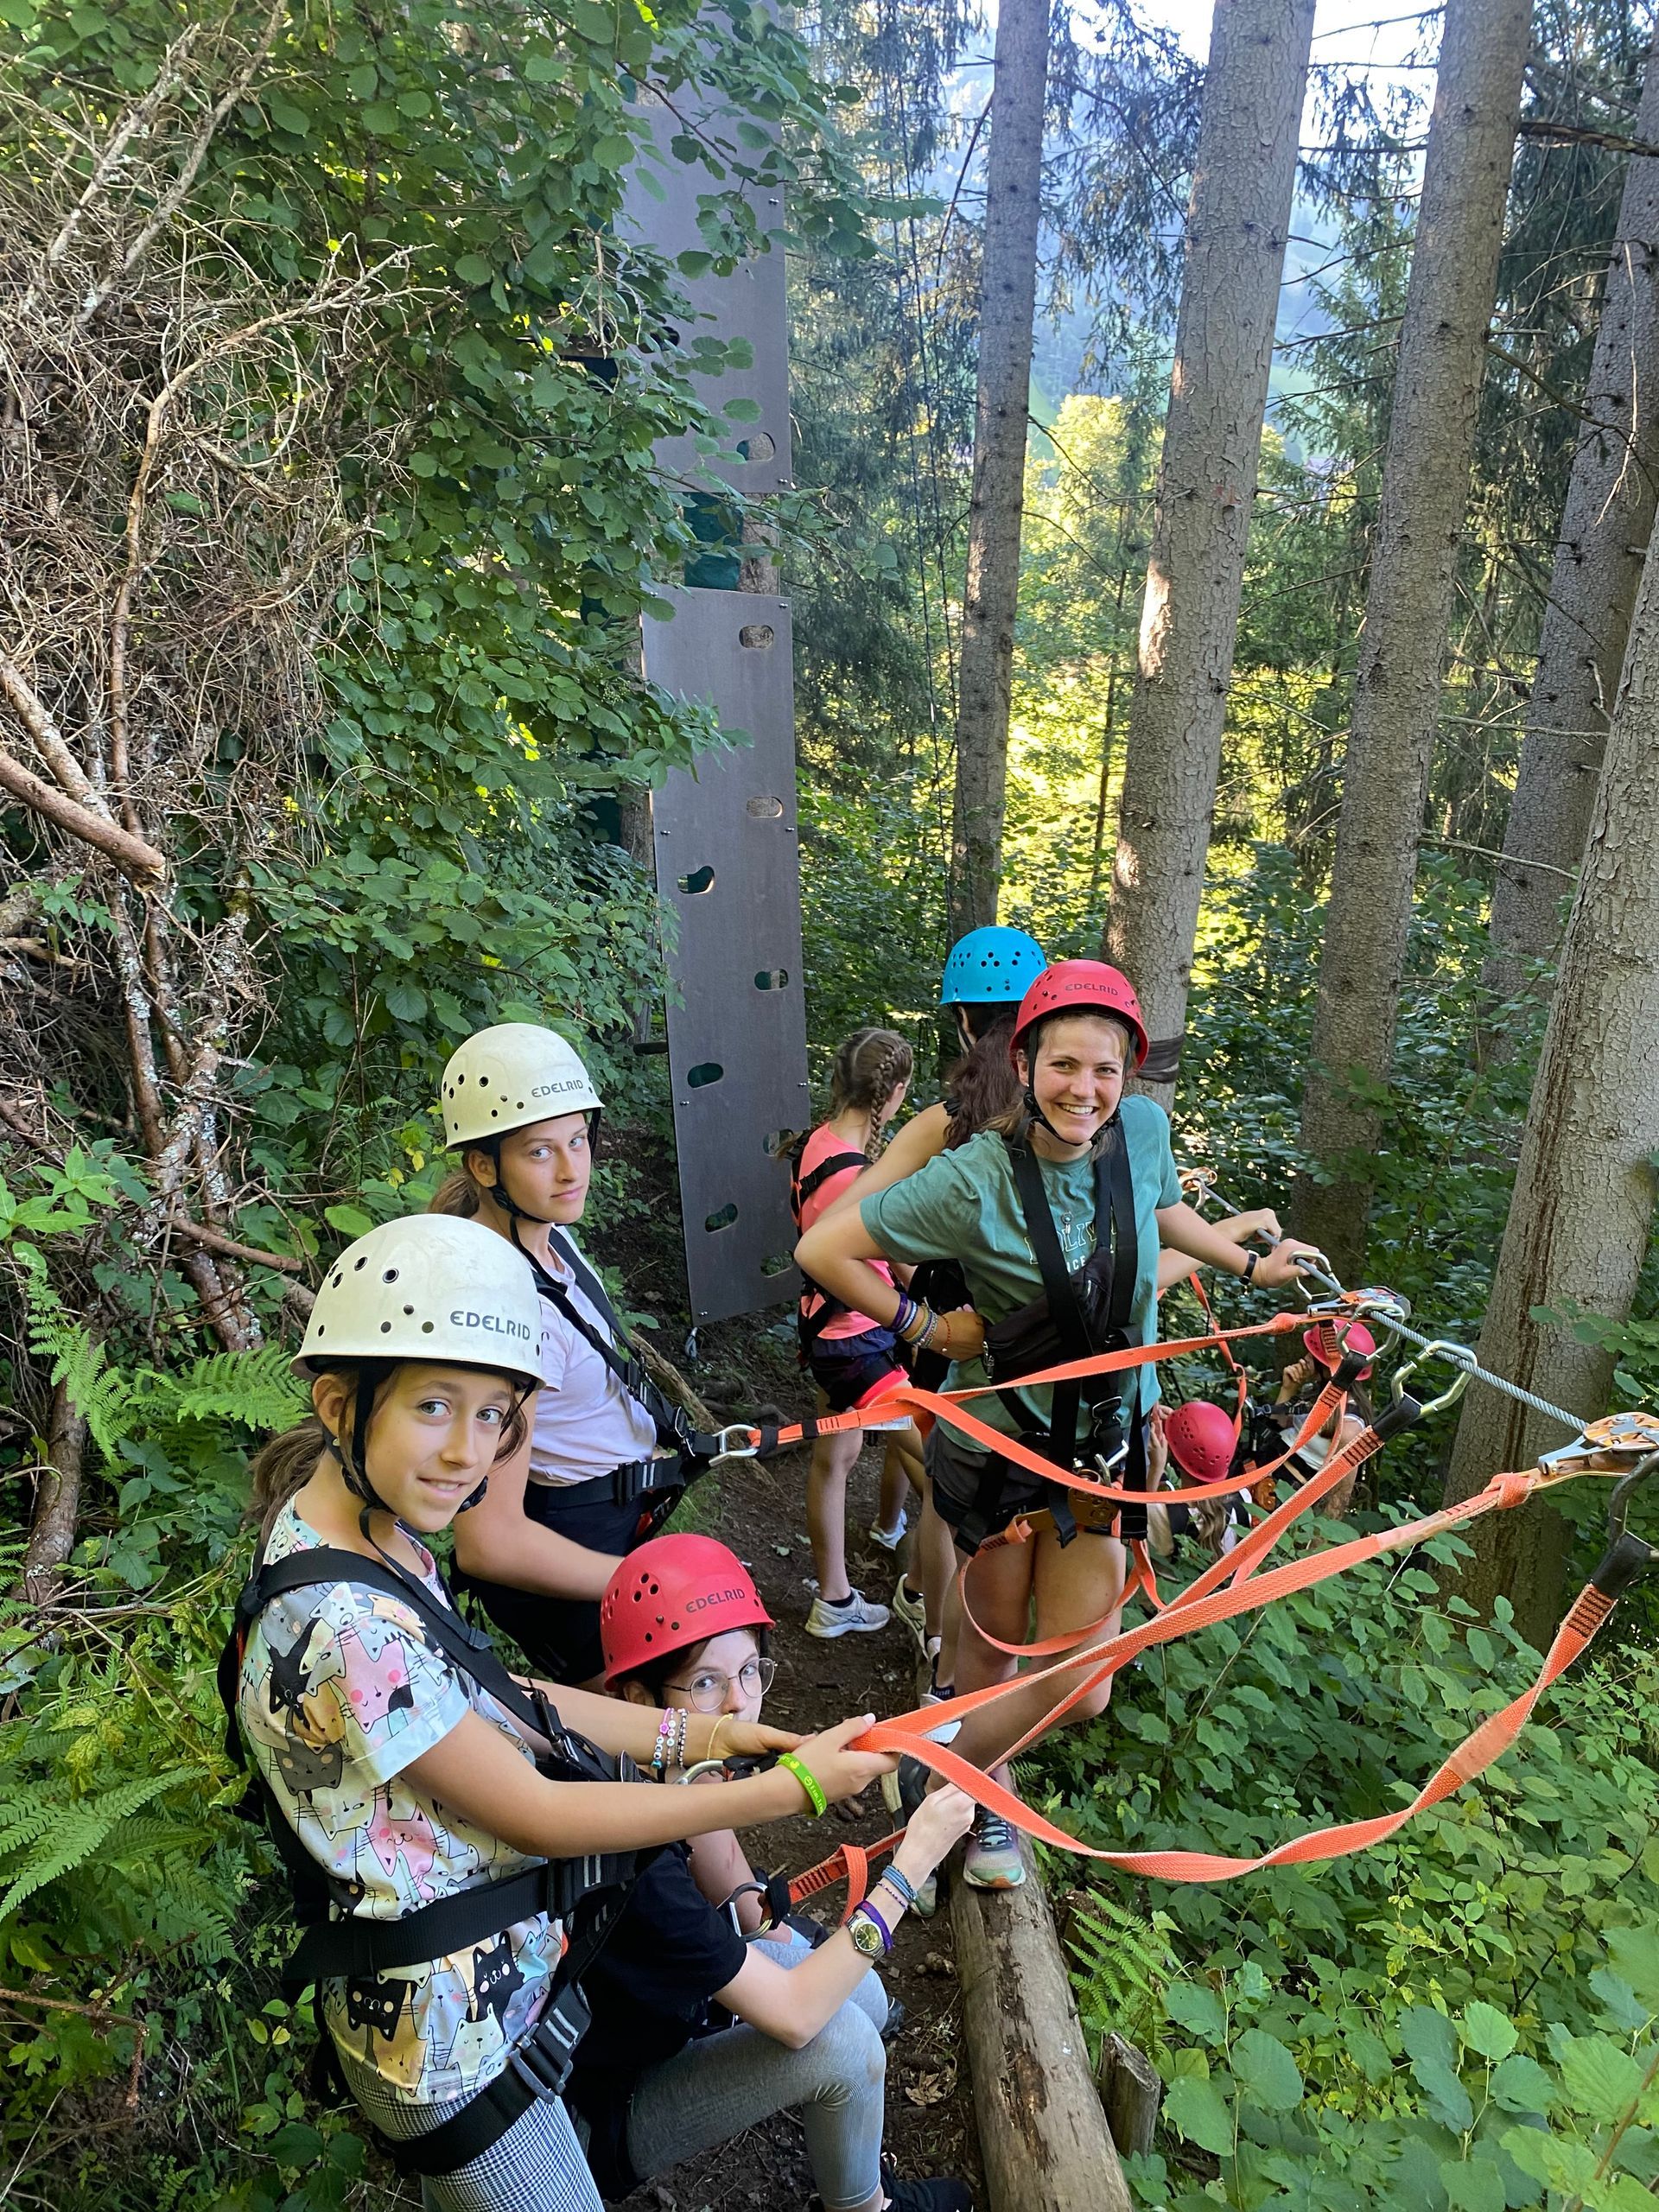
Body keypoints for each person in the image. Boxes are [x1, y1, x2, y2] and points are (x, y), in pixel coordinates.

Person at [230, 1214, 898, 2211]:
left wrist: (706, 1735)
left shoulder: (373, 1534)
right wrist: (779, 1787)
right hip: (449, 2051)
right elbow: (536, 1813)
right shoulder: (340, 1621)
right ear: (339, 1402)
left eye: (494, 1415)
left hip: (498, 2002)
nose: (467, 1452)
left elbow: (499, 1697)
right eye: (435, 1408)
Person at [797, 959, 1321, 1889]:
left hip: (1102, 1454)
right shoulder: (972, 1178)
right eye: (1065, 1065)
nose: (1085, 1088)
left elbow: (1163, 1213)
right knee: (990, 1646)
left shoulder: (1144, 1133)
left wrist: (1249, 1268)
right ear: (1027, 1061)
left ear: (1128, 1077)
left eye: (1106, 1070)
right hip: (999, 1447)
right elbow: (824, 1245)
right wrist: (923, 1325)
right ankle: (974, 1789)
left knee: (1086, 1682)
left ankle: (931, 1764)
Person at [578, 1532, 976, 2211]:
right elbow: (794, 2019)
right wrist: (910, 1867)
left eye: (750, 1672)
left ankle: (836, 2129)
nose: (740, 1705)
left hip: (657, 2022)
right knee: (842, 2042)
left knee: (867, 2000)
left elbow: (734, 1889)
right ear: (640, 1701)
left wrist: (772, 1927)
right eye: (706, 1683)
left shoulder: (650, 1770)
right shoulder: (636, 1872)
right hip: (599, 2116)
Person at [431, 1022, 702, 1687]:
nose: (572, 1168)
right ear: (484, 1165)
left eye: (578, 1140)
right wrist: (645, 1584)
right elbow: (488, 1543)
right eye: (541, 1151)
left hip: (615, 1516)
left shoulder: (548, 1240)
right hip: (572, 1548)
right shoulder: (500, 1309)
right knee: (632, 1737)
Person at [791, 1027, 925, 1639]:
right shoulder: (862, 1178)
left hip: (825, 1333)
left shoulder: (815, 1146)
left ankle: (835, 1600)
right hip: (861, 1344)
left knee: (835, 1457)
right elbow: (905, 1268)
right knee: (943, 1473)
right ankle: (925, 1599)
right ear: (893, 1094)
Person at [1261, 1318, 1376, 1516]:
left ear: (1328, 1366)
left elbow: (1339, 1496)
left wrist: (1317, 1544)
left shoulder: (1349, 1426)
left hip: (1283, 1498)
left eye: (1314, 1354)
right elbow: (1274, 1428)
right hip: (1265, 1475)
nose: (1306, 1357)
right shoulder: (1315, 1395)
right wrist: (1288, 1389)